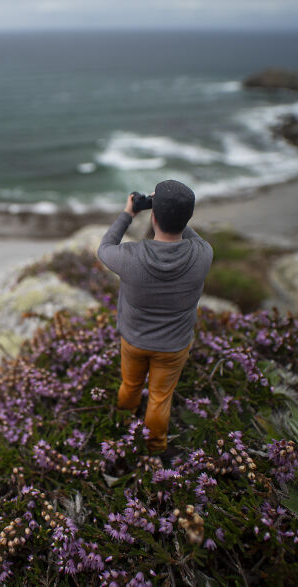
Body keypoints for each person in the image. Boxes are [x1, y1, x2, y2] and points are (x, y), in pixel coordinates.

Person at [97, 179, 213, 455]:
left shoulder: (131, 256)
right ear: (189, 217)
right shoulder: (203, 254)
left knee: (130, 385)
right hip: (174, 346)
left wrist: (129, 213)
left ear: (155, 217)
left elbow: (105, 246)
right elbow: (187, 231)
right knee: (160, 398)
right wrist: (174, 212)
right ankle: (155, 448)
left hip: (134, 340)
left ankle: (124, 425)